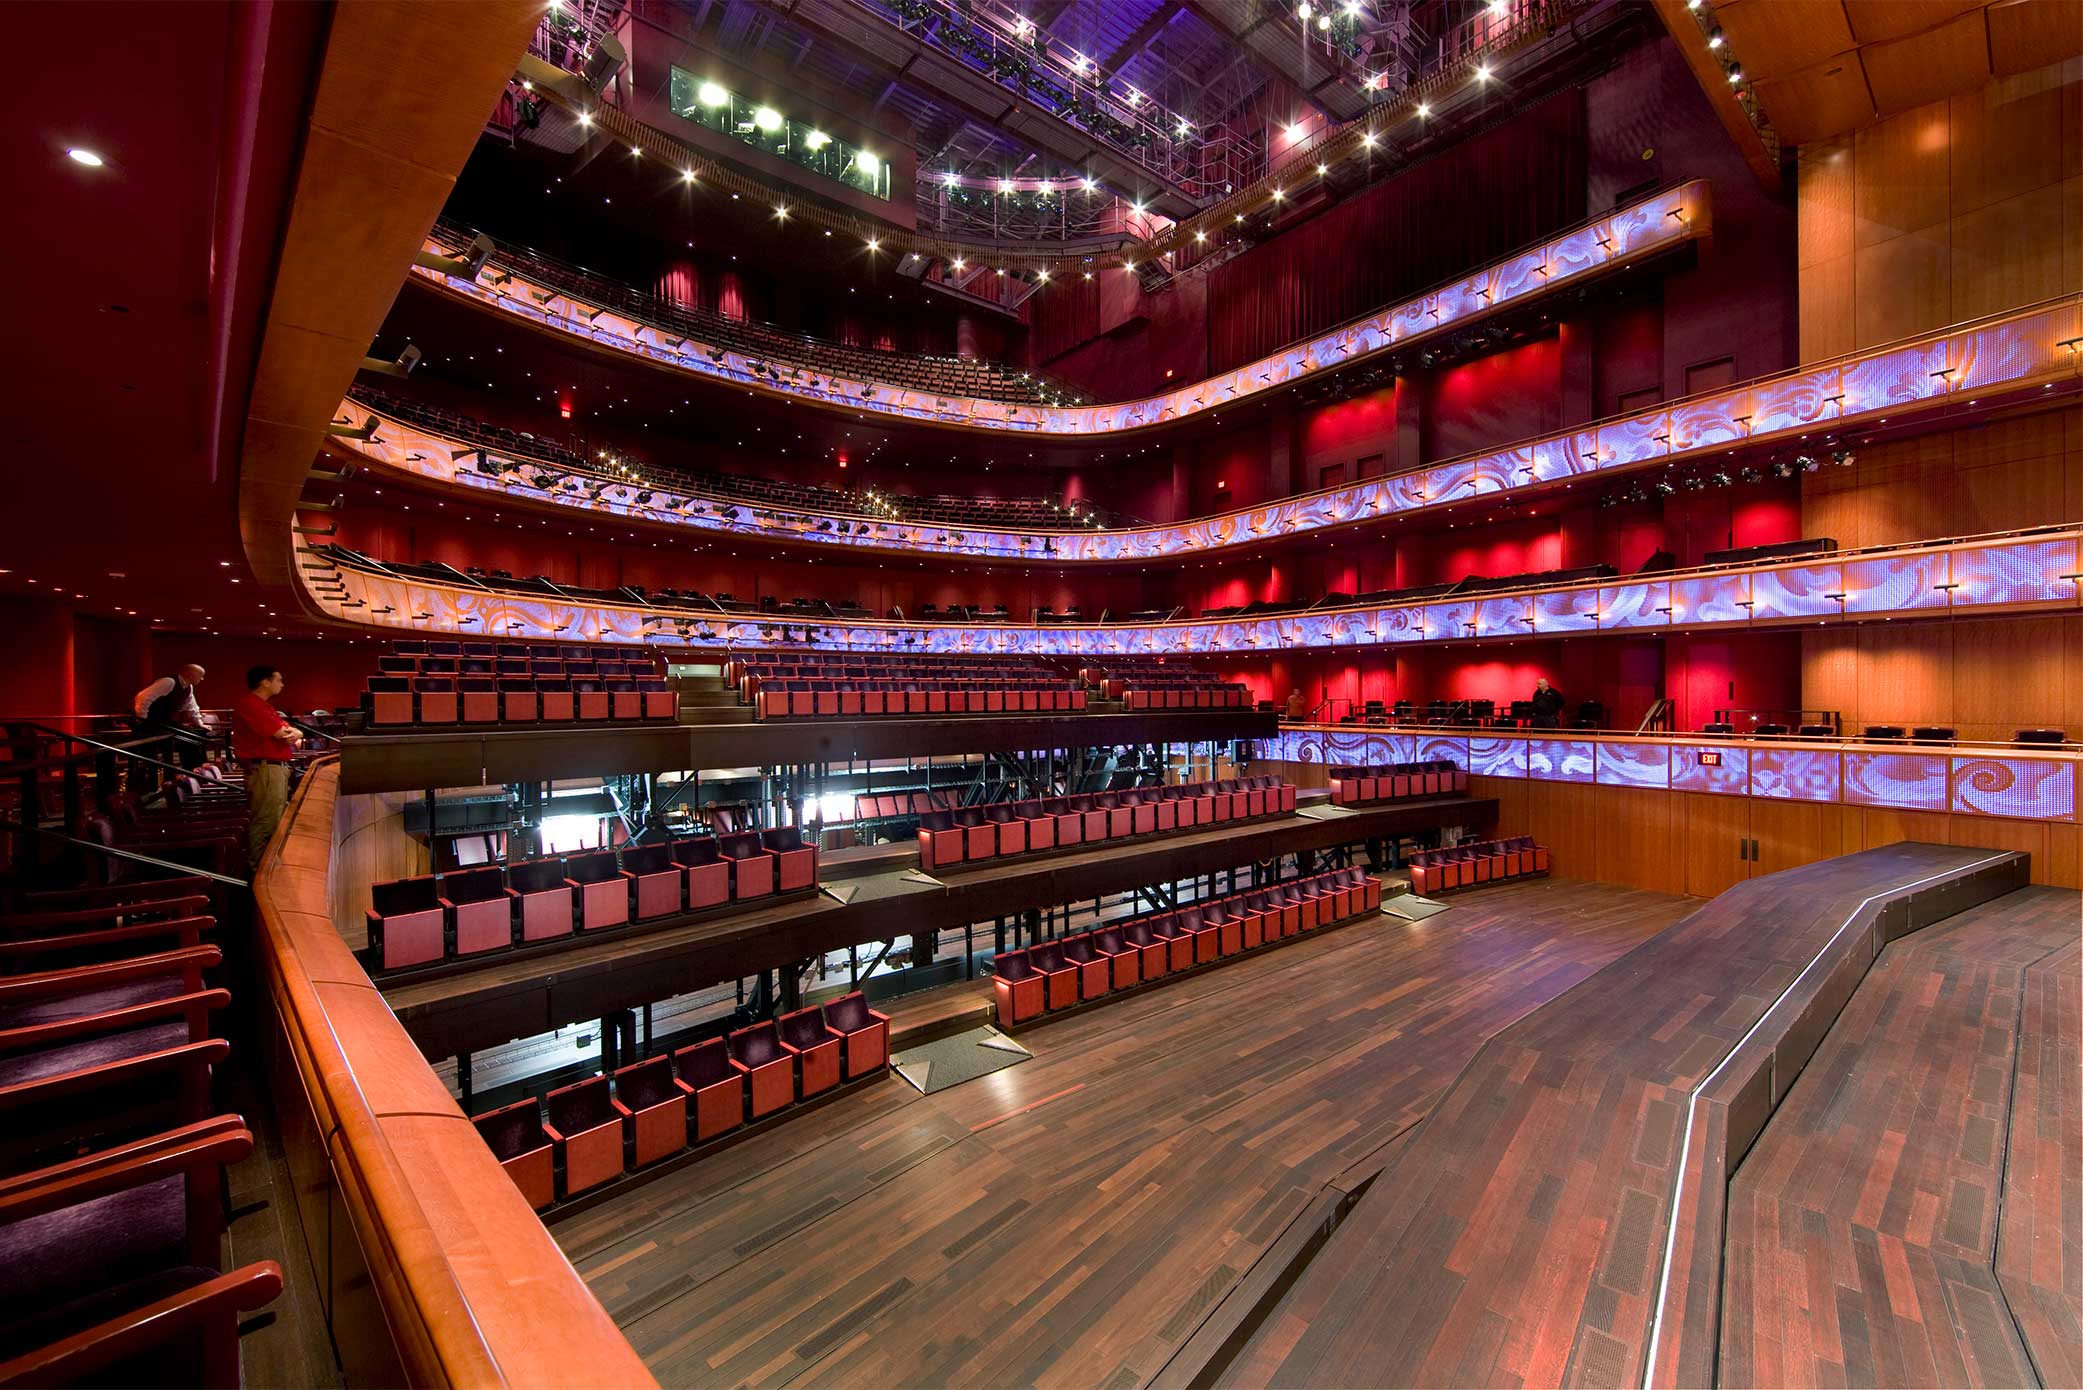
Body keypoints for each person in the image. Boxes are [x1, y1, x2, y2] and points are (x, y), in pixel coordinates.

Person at [230, 665, 304, 871]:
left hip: (272, 769)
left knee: (274, 819)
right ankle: (259, 872)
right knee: (266, 821)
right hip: (266, 770)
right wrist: (292, 733)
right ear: (265, 682)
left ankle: (267, 868)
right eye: (278, 680)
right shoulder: (251, 704)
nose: (282, 684)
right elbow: (282, 733)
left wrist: (296, 733)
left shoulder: (264, 706)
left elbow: (293, 732)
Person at [133, 663, 212, 767]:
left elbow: (191, 707)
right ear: (190, 675)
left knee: (194, 736)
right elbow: (142, 697)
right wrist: (142, 718)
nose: (202, 679)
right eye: (200, 676)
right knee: (187, 738)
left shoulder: (188, 687)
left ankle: (194, 769)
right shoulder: (168, 682)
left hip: (163, 722)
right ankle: (191, 770)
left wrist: (199, 723)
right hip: (149, 721)